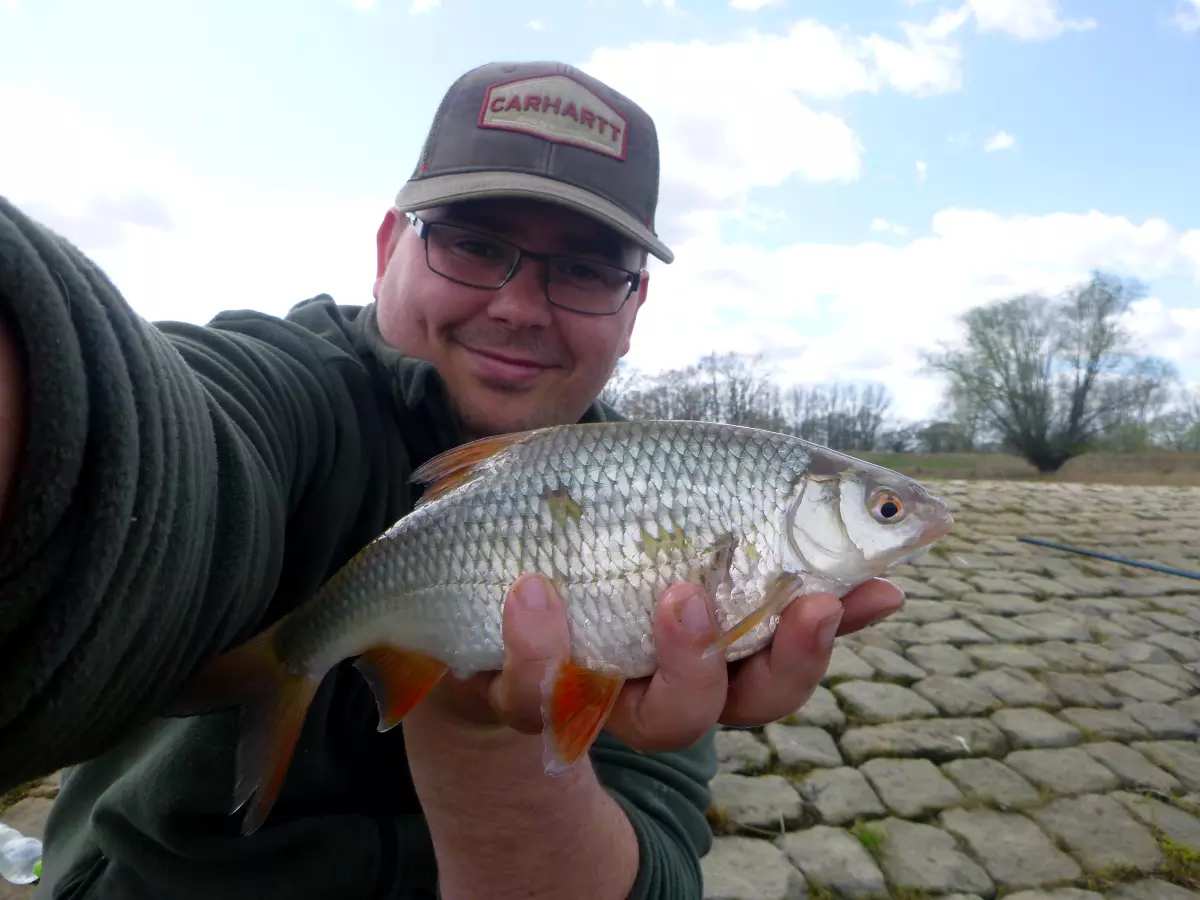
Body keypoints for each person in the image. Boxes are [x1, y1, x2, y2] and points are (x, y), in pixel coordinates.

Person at [0, 60, 904, 899]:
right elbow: (148, 446)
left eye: (587, 270)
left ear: (633, 313)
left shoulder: (664, 483)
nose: (517, 306)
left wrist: (479, 733)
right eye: (471, 244)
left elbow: (656, 876)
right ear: (390, 243)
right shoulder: (295, 391)